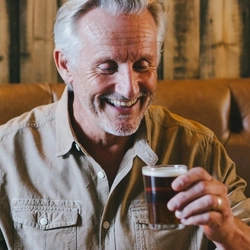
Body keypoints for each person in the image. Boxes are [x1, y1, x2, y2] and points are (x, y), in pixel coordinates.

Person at [0, 0, 250, 249]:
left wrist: (229, 232)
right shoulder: (7, 153)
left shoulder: (199, 149)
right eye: (107, 67)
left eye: (143, 65)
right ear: (66, 66)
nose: (129, 87)